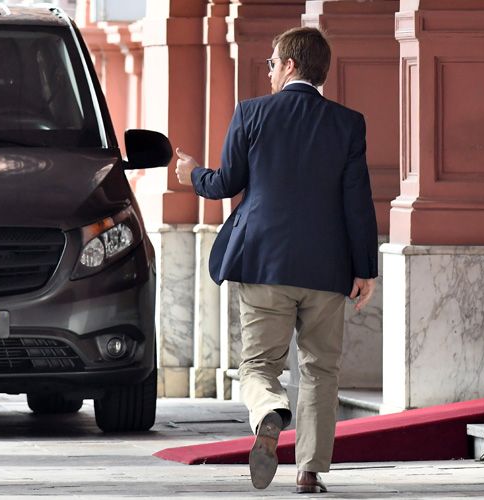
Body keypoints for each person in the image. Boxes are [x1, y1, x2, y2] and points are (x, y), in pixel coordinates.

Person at [175, 27, 378, 494]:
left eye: (270, 63)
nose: (267, 72)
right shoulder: (348, 123)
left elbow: (225, 183)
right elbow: (358, 202)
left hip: (264, 261)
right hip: (328, 269)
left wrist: (191, 174)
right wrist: (365, 268)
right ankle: (309, 471)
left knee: (259, 365)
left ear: (288, 65)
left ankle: (267, 409)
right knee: (320, 369)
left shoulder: (252, 114)